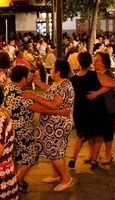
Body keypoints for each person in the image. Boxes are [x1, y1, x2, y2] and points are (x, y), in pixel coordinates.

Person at [2, 65, 70, 193]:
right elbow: (41, 109)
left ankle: (16, 180)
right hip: (22, 131)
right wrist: (60, 112)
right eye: (27, 76)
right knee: (31, 156)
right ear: (22, 78)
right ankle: (16, 181)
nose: (29, 78)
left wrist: (37, 83)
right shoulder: (21, 94)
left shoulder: (9, 87)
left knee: (16, 156)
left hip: (10, 128)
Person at [22, 59, 75, 191]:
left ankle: (65, 178)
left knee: (53, 151)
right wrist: (37, 82)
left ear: (57, 73)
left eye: (52, 69)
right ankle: (56, 174)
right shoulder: (59, 83)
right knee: (53, 149)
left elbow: (53, 104)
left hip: (58, 123)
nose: (50, 70)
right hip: (53, 123)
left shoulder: (64, 86)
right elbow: (51, 90)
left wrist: (34, 96)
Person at [68, 52, 115, 169]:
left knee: (81, 135)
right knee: (97, 135)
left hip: (80, 111)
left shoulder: (73, 79)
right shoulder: (96, 75)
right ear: (89, 62)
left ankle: (73, 157)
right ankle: (94, 159)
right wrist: (97, 93)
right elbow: (113, 83)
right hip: (95, 109)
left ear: (79, 63)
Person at [86, 51, 115, 164]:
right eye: (94, 60)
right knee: (94, 131)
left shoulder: (108, 72)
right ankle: (92, 154)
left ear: (104, 62)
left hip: (110, 107)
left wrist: (96, 93)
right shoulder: (94, 73)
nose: (95, 62)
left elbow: (109, 85)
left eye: (98, 60)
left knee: (108, 132)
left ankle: (108, 155)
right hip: (98, 108)